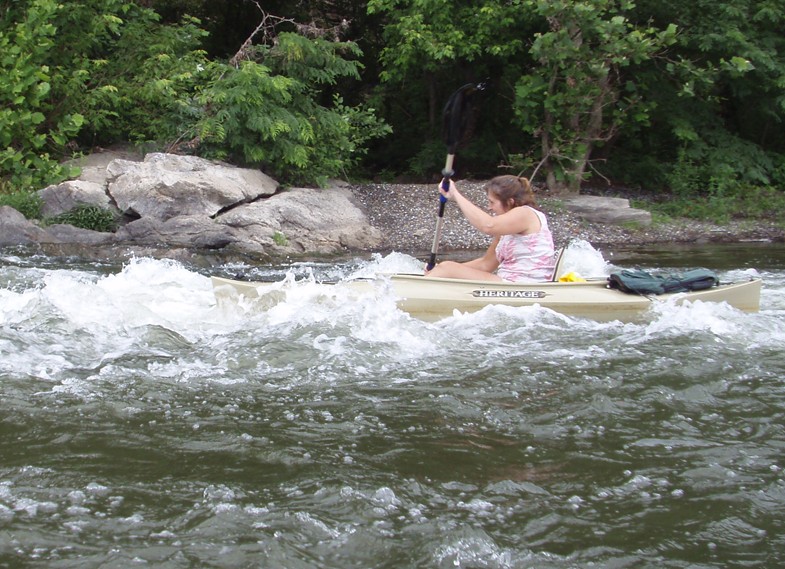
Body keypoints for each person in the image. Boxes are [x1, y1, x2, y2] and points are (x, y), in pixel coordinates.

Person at [425, 175, 556, 282]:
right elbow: (485, 265)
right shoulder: (505, 229)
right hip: (508, 284)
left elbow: (488, 226)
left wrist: (455, 194)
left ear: (510, 202)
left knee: (447, 268)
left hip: (525, 287)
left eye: (492, 202)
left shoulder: (525, 213)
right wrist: (439, 270)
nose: (489, 207)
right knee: (445, 268)